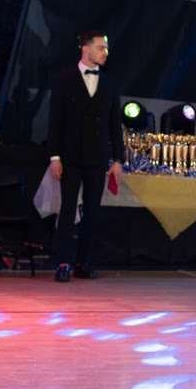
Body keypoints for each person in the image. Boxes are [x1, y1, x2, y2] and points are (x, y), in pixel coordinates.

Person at [46, 30, 123, 283]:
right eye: (100, 47)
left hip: (97, 156)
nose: (105, 52)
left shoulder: (110, 83)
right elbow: (55, 121)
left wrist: (118, 160)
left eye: (106, 48)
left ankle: (85, 262)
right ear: (85, 48)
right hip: (70, 156)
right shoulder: (64, 78)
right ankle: (63, 262)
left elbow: (115, 124)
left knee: (92, 211)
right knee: (68, 210)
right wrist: (54, 157)